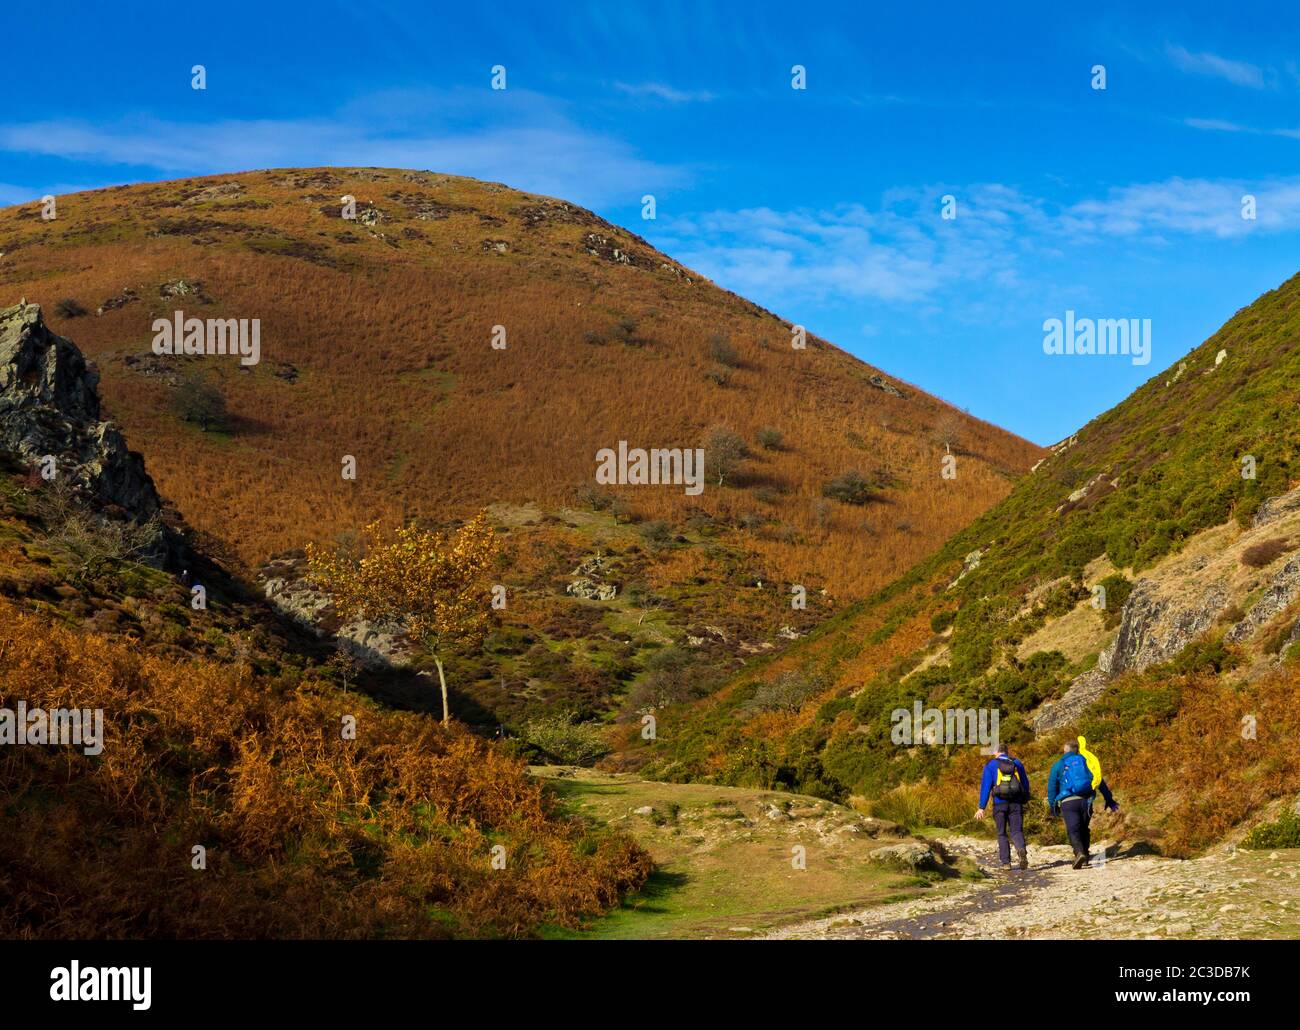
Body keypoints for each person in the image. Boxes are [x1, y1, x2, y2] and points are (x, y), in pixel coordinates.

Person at [1047, 738, 1119, 868]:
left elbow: (1052, 786)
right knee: (1084, 828)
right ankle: (1085, 856)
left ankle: (1079, 852)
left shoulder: (1058, 765)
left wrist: (1053, 805)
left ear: (1065, 750)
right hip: (1086, 801)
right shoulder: (1086, 762)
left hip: (1068, 802)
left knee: (1073, 830)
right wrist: (1109, 799)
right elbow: (1099, 781)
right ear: (1077, 750)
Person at [975, 743, 1031, 870]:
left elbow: (986, 787)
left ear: (996, 752)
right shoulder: (1016, 763)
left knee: (1001, 833)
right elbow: (1025, 782)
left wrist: (981, 807)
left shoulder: (991, 765)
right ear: (1007, 751)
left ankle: (1006, 863)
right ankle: (1021, 849)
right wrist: (1025, 798)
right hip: (1016, 803)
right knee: (1016, 831)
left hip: (999, 804)